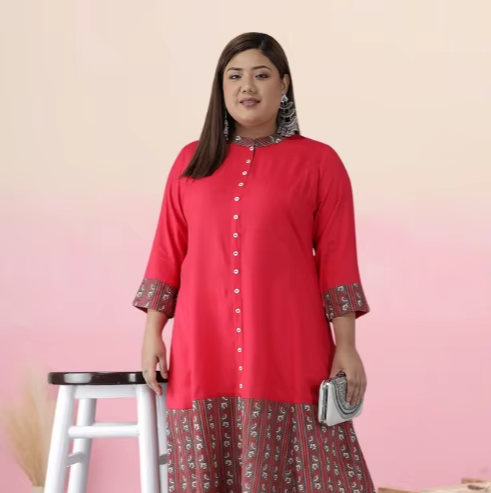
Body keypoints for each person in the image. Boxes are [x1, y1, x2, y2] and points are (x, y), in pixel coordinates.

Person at [134, 32, 375, 493]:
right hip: (203, 344)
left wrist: (346, 346)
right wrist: (152, 332)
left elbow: (338, 260)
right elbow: (167, 252)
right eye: (234, 76)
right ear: (221, 87)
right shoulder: (191, 162)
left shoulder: (319, 163)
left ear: (283, 85)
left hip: (290, 344)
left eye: (261, 75)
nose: (247, 86)